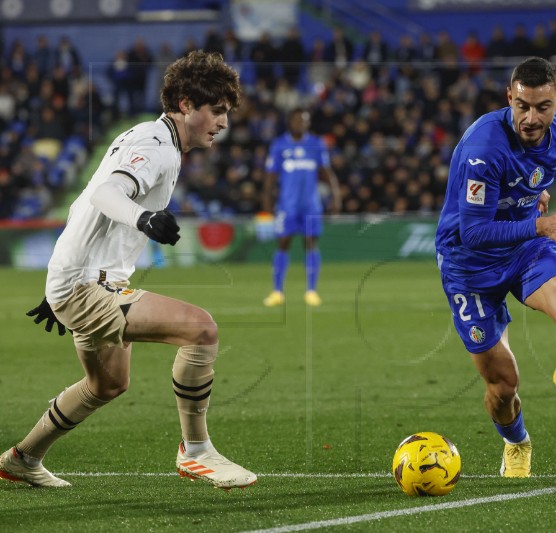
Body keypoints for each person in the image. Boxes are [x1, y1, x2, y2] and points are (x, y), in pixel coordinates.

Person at [0, 51, 256, 489]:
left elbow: (84, 204)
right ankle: (196, 452)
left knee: (106, 385)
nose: (224, 123)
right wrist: (143, 219)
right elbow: (105, 194)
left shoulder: (157, 142)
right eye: (217, 111)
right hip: (88, 285)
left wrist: (60, 280)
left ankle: (22, 459)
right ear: (186, 103)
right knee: (201, 330)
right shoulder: (154, 146)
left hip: (84, 279)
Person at [434, 57, 556, 479]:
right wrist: (541, 223)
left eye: (542, 107)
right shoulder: (484, 148)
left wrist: (535, 192)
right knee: (503, 386)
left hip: (523, 247)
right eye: (522, 106)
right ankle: (516, 442)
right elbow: (475, 233)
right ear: (509, 98)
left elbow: (539, 170)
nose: (531, 118)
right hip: (469, 264)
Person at [262, 108, 341, 307]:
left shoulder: (316, 144)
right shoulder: (279, 145)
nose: (301, 124)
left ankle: (311, 291)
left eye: (305, 121)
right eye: (298, 120)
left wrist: (336, 197)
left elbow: (326, 172)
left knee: (311, 244)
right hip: (287, 206)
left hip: (311, 205)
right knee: (283, 244)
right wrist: (266, 199)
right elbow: (271, 176)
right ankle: (277, 291)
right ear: (290, 122)